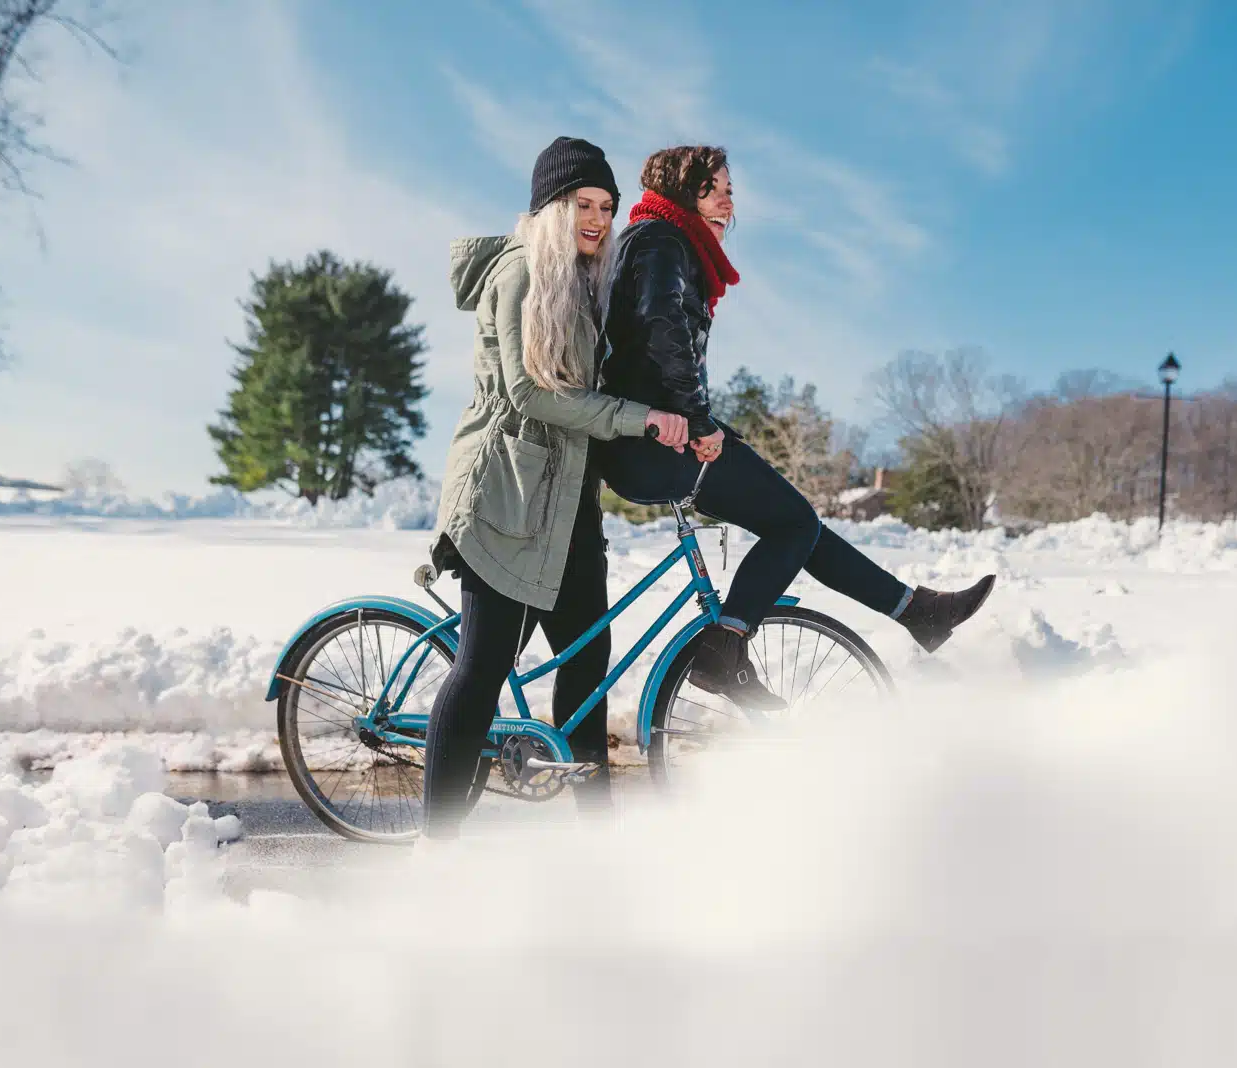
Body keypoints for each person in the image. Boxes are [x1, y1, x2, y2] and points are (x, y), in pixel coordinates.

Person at [595, 144, 996, 711]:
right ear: (688, 189)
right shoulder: (662, 239)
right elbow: (662, 331)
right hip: (657, 439)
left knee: (797, 525)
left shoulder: (659, 239)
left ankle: (917, 612)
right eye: (719, 185)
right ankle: (725, 646)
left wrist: (705, 422)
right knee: (794, 523)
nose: (731, 197)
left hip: (655, 435)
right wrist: (700, 421)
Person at [422, 136, 690, 837]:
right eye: (583, 204)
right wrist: (639, 420)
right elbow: (531, 393)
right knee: (483, 668)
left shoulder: (583, 283)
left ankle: (597, 845)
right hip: (504, 496)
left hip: (567, 504)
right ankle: (435, 848)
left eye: (607, 206)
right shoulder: (521, 274)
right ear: (549, 207)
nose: (598, 219)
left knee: (586, 676)